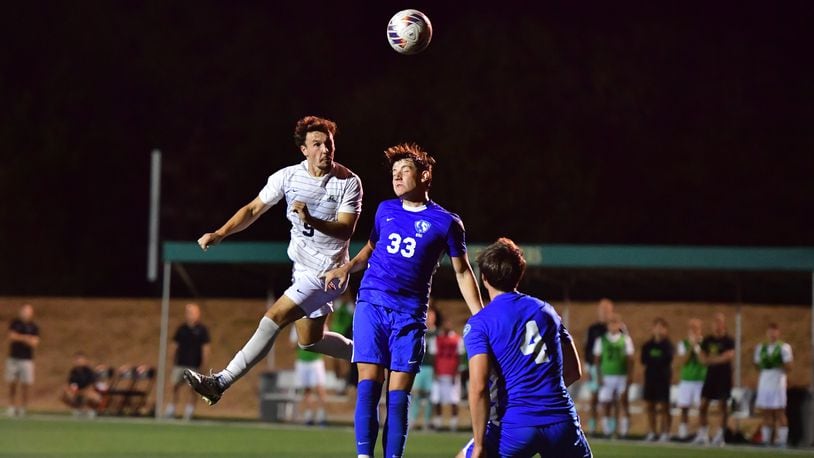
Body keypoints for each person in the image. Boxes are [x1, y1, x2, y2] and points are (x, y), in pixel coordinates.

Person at [184, 116, 363, 406]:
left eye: (328, 143)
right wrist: (220, 233)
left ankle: (220, 382)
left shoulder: (348, 182)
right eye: (316, 144)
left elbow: (345, 228)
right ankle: (374, 353)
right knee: (311, 340)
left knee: (273, 318)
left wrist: (310, 219)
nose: (325, 150)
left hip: (327, 273)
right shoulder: (287, 177)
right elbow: (254, 208)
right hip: (301, 269)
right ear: (304, 150)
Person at [324, 143, 483, 458]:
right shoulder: (385, 209)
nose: (396, 177)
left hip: (409, 315)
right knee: (369, 385)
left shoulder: (447, 222)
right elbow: (370, 249)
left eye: (404, 171)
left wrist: (481, 315)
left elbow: (463, 272)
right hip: (371, 304)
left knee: (398, 396)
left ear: (425, 175)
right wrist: (346, 267)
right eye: (394, 172)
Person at [457, 238, 591, 458]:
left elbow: (478, 387)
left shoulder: (480, 323)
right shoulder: (546, 311)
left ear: (484, 278)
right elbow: (574, 371)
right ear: (519, 274)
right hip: (560, 421)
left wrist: (480, 445)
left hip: (515, 425)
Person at [692, 312, 735, 446]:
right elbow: (702, 360)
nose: (717, 325)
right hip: (710, 376)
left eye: (719, 322)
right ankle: (703, 434)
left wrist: (711, 360)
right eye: (715, 322)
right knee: (703, 405)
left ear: (724, 324)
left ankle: (720, 436)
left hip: (724, 376)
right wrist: (714, 359)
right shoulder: (708, 340)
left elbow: (728, 356)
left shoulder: (729, 340)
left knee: (722, 406)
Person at [166, 303, 211, 419]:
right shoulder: (181, 329)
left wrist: (204, 364)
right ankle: (171, 409)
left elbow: (205, 349)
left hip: (194, 365)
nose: (191, 315)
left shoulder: (202, 330)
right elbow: (174, 346)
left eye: (194, 312)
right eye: (189, 312)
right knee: (174, 386)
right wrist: (171, 361)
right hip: (180, 363)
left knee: (192, 389)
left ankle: (189, 411)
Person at [593, 312, 634, 438]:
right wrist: (598, 376)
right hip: (607, 376)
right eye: (611, 323)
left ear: (619, 325)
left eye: (615, 323)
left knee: (623, 402)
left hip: (621, 375)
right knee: (606, 403)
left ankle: (624, 431)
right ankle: (607, 430)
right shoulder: (601, 340)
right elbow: (597, 359)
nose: (613, 326)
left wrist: (630, 375)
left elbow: (630, 359)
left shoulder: (625, 339)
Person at [754, 322, 792, 447]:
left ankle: (782, 440)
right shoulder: (761, 347)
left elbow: (789, 366)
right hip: (765, 381)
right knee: (766, 412)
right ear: (767, 333)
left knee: (780, 411)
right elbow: (757, 365)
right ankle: (766, 439)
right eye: (770, 332)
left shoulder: (784, 347)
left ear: (778, 333)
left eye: (774, 332)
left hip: (778, 381)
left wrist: (778, 364)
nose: (772, 335)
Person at [583, 298, 614, 435]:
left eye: (607, 310)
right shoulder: (593, 329)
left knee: (609, 400)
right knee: (594, 399)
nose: (604, 313)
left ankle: (610, 429)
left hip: (610, 369)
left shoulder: (616, 328)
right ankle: (592, 427)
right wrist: (588, 367)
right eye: (602, 310)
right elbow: (587, 348)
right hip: (595, 368)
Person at [641, 318, 673, 442]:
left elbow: (666, 360)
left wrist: (655, 361)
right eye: (657, 327)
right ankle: (653, 432)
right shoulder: (647, 346)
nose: (659, 330)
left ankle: (665, 432)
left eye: (661, 327)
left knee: (664, 406)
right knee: (650, 406)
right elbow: (644, 360)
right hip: (650, 378)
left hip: (663, 379)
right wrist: (656, 361)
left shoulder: (668, 346)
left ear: (665, 330)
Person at [431, 314, 465, 432]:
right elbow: (433, 357)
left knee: (454, 400)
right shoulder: (437, 339)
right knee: (437, 400)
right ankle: (438, 423)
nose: (447, 325)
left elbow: (460, 357)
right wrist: (434, 372)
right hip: (440, 372)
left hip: (452, 373)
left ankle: (453, 424)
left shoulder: (457, 339)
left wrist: (456, 373)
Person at [675, 318, 707, 440]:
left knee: (702, 409)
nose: (693, 331)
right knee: (684, 408)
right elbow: (683, 361)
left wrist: (697, 346)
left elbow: (703, 360)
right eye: (691, 328)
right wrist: (691, 346)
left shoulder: (705, 343)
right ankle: (683, 432)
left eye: (696, 328)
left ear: (700, 330)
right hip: (686, 381)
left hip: (700, 380)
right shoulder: (683, 343)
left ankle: (702, 434)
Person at [6, 304, 40, 417]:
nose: (26, 313)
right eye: (24, 311)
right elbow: (11, 337)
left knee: (26, 385)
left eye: (28, 311)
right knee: (12, 383)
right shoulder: (15, 323)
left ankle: (23, 407)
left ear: (31, 313)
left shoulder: (34, 327)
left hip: (27, 359)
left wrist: (20, 338)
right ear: (21, 312)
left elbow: (35, 343)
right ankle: (11, 406)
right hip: (13, 358)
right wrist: (26, 338)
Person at [290, 327, 328, 425]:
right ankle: (309, 414)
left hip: (316, 361)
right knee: (307, 389)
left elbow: (325, 342)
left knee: (320, 388)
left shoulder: (320, 324)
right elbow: (292, 344)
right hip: (302, 361)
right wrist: (302, 340)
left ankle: (321, 415)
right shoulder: (297, 326)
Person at [410, 305, 438, 431]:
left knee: (429, 397)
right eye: (428, 315)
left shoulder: (438, 333)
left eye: (432, 316)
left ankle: (427, 422)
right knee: (415, 395)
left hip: (431, 368)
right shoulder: (420, 331)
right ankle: (412, 421)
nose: (429, 318)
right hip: (419, 367)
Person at [327, 289, 355, 394]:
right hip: (335, 333)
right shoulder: (337, 304)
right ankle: (338, 380)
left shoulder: (350, 307)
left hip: (345, 336)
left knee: (344, 361)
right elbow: (331, 316)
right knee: (335, 361)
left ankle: (344, 381)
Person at [60, 351, 100, 418]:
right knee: (65, 394)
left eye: (81, 360)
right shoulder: (73, 372)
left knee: (95, 397)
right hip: (77, 392)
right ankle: (78, 409)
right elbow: (71, 384)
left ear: (85, 361)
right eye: (77, 360)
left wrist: (83, 392)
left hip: (86, 392)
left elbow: (91, 386)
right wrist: (71, 390)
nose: (79, 361)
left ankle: (88, 410)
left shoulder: (89, 371)